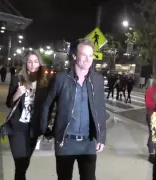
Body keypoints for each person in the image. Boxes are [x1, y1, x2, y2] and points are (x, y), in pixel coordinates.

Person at [41, 38, 107, 180]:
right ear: (75, 56)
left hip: (88, 143)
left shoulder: (97, 79)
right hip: (65, 142)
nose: (88, 59)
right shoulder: (61, 78)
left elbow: (101, 109)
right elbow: (47, 104)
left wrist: (102, 136)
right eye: (84, 55)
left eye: (90, 55)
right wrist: (45, 129)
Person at [5, 50, 51, 180]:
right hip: (17, 128)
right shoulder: (18, 79)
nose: (33, 64)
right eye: (30, 62)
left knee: (24, 164)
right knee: (20, 165)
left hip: (33, 129)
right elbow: (8, 103)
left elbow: (48, 105)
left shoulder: (45, 83)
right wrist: (17, 94)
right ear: (25, 63)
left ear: (40, 63)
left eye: (36, 61)